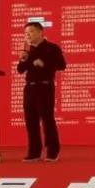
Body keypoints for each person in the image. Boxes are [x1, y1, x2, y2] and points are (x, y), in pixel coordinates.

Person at [17, 22, 66, 162]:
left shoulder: (52, 48)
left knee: (47, 119)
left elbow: (62, 65)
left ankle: (52, 151)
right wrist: (23, 59)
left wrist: (45, 64)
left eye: (31, 32)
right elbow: (20, 70)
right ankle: (34, 152)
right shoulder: (28, 50)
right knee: (31, 120)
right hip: (29, 88)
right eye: (26, 33)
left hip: (45, 87)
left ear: (40, 32)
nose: (28, 35)